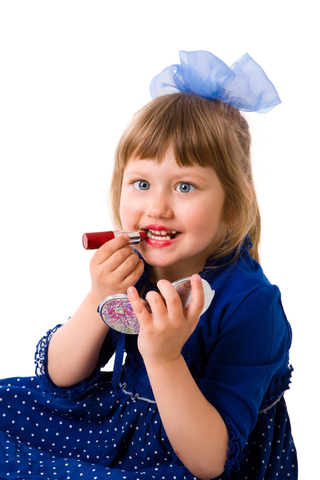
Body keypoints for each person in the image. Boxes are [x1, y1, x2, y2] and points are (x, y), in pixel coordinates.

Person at [0, 51, 297, 480]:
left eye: (184, 186)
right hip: (123, 427)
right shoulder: (136, 268)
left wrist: (163, 358)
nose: (157, 207)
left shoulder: (252, 305)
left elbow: (212, 460)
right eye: (141, 183)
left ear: (233, 205)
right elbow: (60, 378)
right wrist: (98, 298)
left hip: (190, 455)